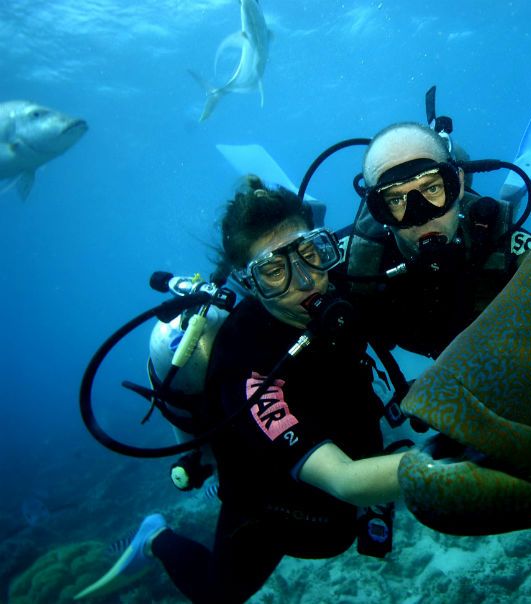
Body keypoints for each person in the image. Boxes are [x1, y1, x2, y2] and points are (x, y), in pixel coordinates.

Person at [90, 177, 408, 604]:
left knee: (335, 535)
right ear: (249, 283)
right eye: (274, 271)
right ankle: (156, 538)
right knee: (217, 596)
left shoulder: (344, 290)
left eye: (311, 253)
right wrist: (451, 464)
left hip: (344, 456)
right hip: (265, 500)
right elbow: (346, 480)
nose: (306, 280)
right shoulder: (244, 366)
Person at [331, 122, 531, 360]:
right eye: (396, 200)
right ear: (378, 210)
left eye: (432, 188)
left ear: (457, 184)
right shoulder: (356, 261)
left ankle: (510, 193)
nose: (421, 216)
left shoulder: (505, 241)